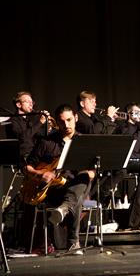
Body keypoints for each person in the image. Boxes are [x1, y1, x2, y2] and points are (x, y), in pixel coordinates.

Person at [24, 104, 94, 254]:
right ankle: (73, 243)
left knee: (82, 181)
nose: (66, 125)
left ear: (75, 118)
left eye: (69, 120)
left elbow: (93, 172)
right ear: (57, 121)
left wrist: (90, 173)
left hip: (79, 189)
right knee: (79, 199)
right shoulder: (47, 142)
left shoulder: (85, 141)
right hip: (53, 192)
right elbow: (27, 167)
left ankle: (64, 208)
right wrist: (40, 174)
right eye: (62, 121)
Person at [5, 91, 52, 159]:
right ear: (18, 105)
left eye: (32, 102)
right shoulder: (12, 121)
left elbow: (38, 136)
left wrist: (47, 128)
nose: (31, 104)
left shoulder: (30, 119)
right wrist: (40, 122)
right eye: (27, 102)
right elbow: (23, 138)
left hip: (34, 153)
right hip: (22, 156)